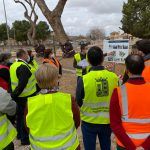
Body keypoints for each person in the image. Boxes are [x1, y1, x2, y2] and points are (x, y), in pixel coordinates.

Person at [26, 63, 80, 150]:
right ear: (56, 80)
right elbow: (76, 123)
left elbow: (28, 126)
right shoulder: (68, 99)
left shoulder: (30, 103)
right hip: (68, 146)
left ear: (37, 81)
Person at [76, 46, 118, 150]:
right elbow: (117, 98)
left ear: (88, 61)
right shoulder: (113, 77)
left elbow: (78, 100)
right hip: (107, 120)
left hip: (89, 122)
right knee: (106, 146)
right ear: (102, 60)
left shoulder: (83, 79)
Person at [110, 54, 150, 150]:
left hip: (125, 145)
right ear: (144, 68)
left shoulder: (118, 92)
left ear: (127, 70)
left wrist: (132, 147)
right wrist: (144, 146)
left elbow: (115, 124)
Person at [10, 49, 38, 145]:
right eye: (27, 54)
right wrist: (13, 95)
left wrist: (13, 95)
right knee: (25, 117)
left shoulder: (14, 65)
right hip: (26, 96)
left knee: (20, 116)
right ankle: (25, 138)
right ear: (23, 55)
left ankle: (19, 135)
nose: (28, 56)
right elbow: (22, 84)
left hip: (19, 96)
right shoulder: (23, 67)